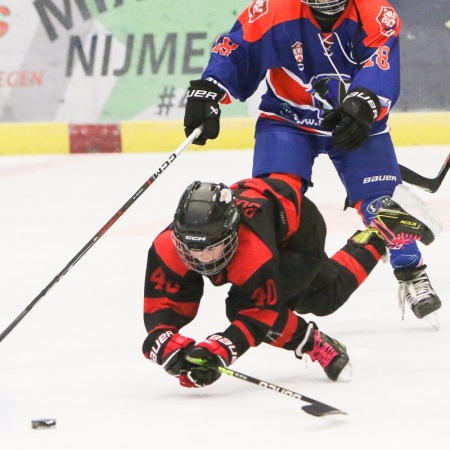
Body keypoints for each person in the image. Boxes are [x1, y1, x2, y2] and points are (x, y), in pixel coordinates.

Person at [182, 0, 442, 321]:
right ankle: (280, 281)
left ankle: (411, 271)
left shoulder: (375, 12)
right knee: (274, 204)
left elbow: (380, 64)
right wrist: (209, 89)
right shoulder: (273, 9)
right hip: (287, 120)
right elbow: (235, 48)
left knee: (382, 206)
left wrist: (362, 105)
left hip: (354, 120)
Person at [142, 174, 435, 388]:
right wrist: (165, 344)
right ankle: (380, 227)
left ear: (231, 231)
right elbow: (162, 304)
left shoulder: (252, 250)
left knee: (324, 296)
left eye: (211, 247)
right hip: (270, 214)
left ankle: (380, 230)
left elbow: (258, 316)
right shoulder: (168, 246)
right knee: (256, 302)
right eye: (192, 248)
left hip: (297, 231)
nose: (202, 258)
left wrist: (219, 350)